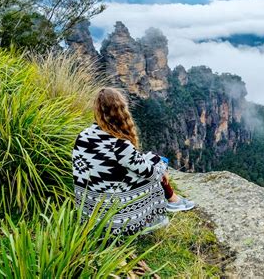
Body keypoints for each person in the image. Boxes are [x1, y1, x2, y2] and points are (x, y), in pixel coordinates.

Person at [71, 87, 194, 236]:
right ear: (122, 111)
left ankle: (173, 200)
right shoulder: (120, 145)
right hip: (114, 222)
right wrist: (160, 163)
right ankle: (159, 212)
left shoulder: (83, 136)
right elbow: (150, 173)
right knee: (157, 169)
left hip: (88, 215)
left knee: (149, 162)